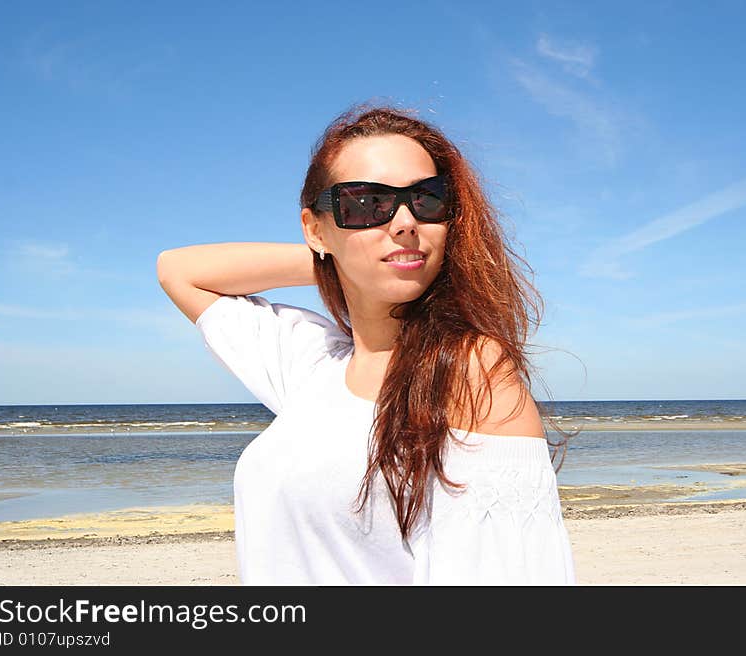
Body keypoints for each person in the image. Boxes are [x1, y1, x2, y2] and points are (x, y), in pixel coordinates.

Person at [156, 103, 577, 585]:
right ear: (315, 227)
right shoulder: (315, 368)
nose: (403, 222)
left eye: (426, 199)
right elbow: (180, 271)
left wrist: (363, 251)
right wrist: (340, 257)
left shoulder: (469, 370)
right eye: (365, 204)